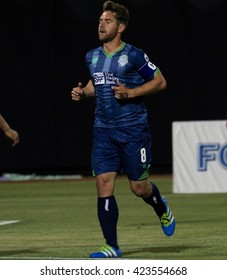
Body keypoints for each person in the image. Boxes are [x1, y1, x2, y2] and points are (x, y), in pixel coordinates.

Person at [71, 0, 175, 258]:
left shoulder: (135, 55)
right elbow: (96, 84)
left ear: (121, 27)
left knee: (138, 188)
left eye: (107, 21)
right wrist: (83, 93)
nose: (101, 25)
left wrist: (132, 92)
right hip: (103, 131)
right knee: (103, 184)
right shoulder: (92, 56)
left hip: (133, 130)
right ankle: (112, 246)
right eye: (100, 21)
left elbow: (160, 82)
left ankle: (160, 206)